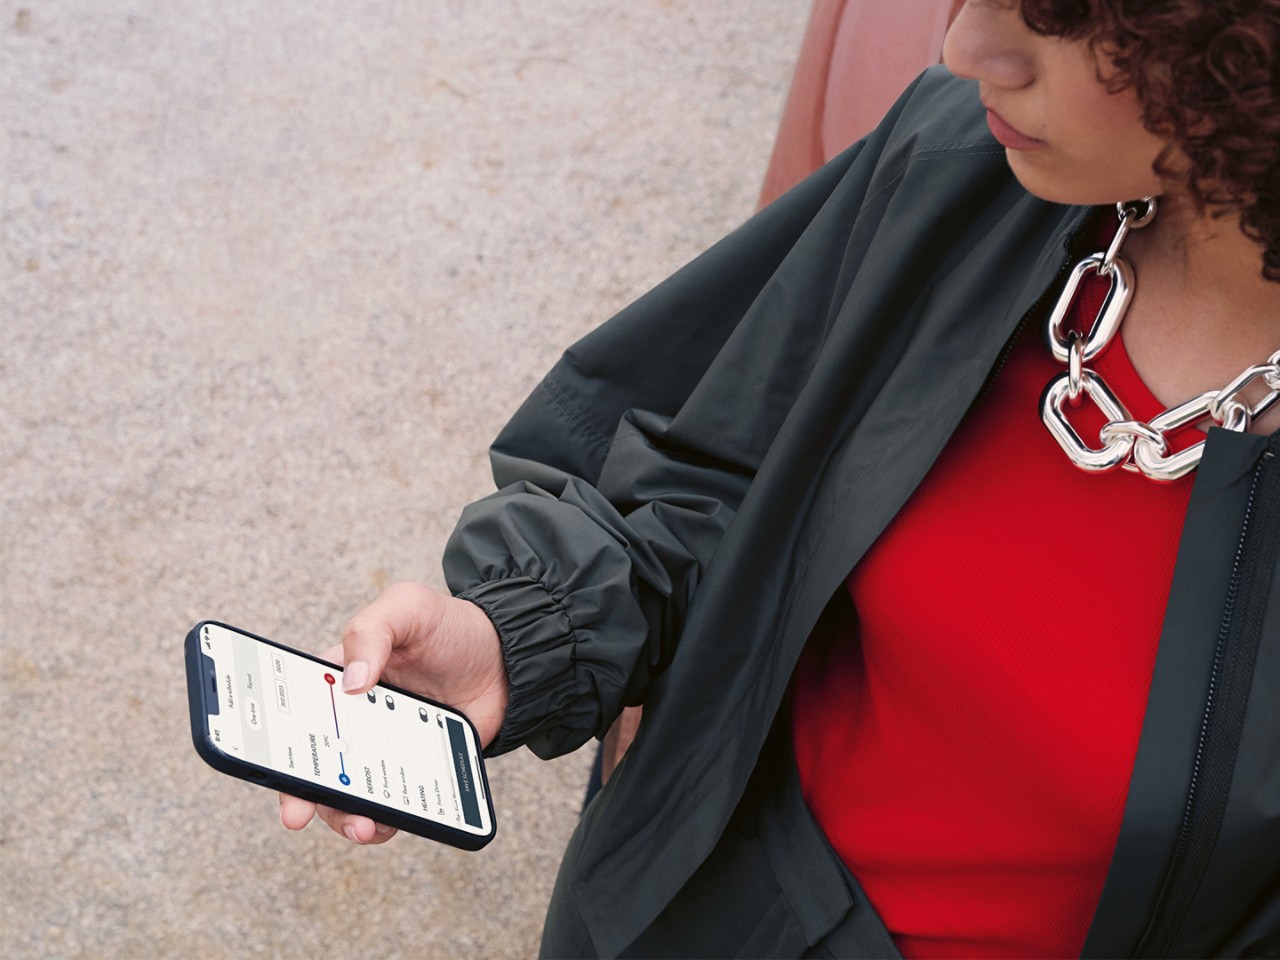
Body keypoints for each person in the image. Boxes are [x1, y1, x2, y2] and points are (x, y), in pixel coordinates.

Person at [281, 1, 1280, 956]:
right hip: (672, 915)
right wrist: (517, 636)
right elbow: (712, 471)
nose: (965, 51)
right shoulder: (963, 170)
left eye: (1066, 17)